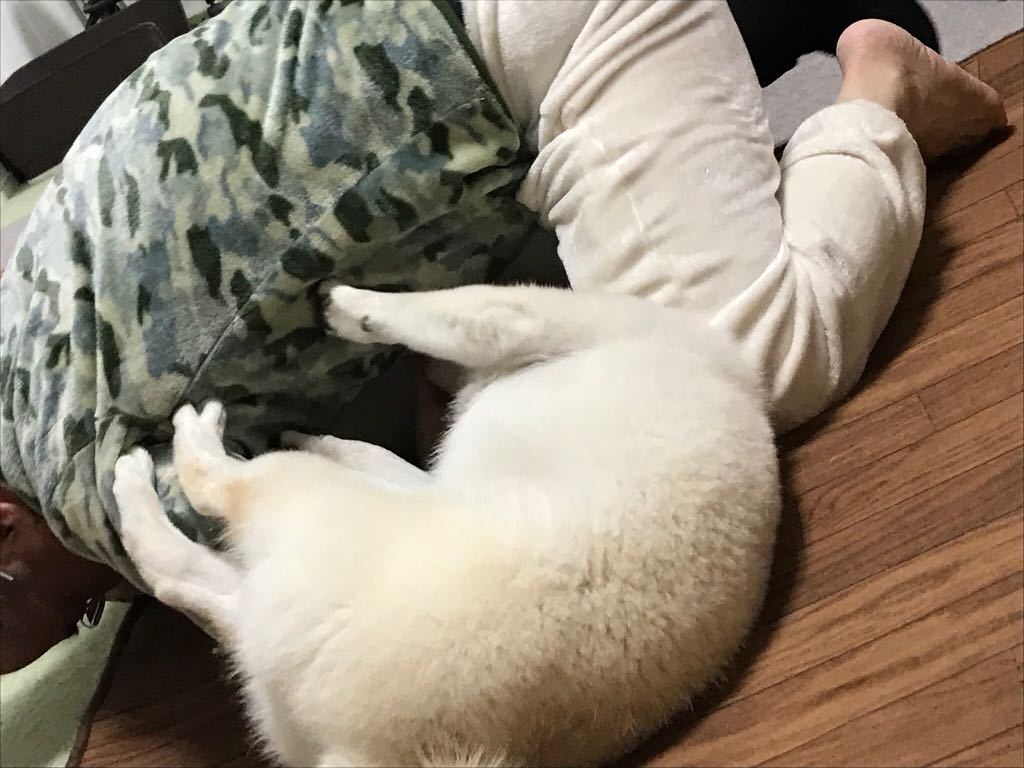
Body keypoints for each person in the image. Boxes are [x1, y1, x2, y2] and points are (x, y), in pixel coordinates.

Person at [0, 0, 1003, 679]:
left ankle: (881, 97)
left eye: (59, 608)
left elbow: (388, 587)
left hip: (537, 35)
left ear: (5, 527)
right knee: (527, 334)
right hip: (413, 51)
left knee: (743, 370)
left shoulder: (103, 491)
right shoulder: (15, 324)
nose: (100, 611)